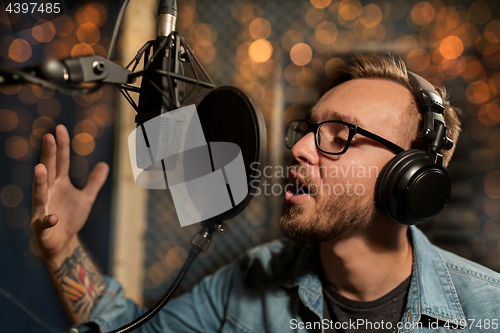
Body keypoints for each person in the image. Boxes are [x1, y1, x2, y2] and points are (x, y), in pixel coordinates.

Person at [31, 54, 500, 333]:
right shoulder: (246, 283)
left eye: (338, 135)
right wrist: (63, 247)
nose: (297, 148)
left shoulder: (489, 311)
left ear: (410, 177)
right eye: (308, 129)